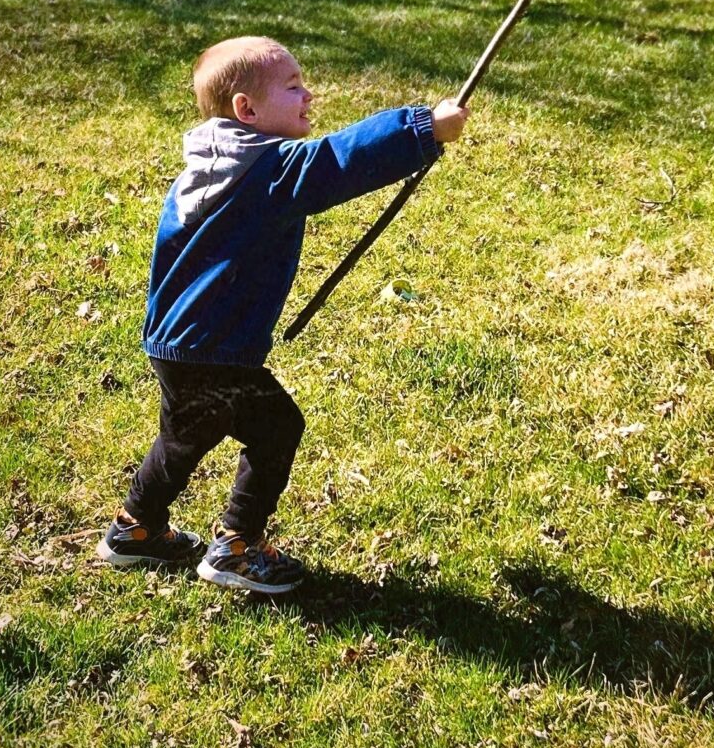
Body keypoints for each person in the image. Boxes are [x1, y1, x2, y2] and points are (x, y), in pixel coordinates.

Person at [102, 36, 468, 595]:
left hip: (175, 344)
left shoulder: (203, 171)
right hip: (218, 352)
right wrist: (421, 129)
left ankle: (135, 529)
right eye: (293, 86)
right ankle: (237, 547)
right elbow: (339, 161)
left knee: (184, 435)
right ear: (246, 110)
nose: (309, 93)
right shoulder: (267, 168)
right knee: (278, 428)